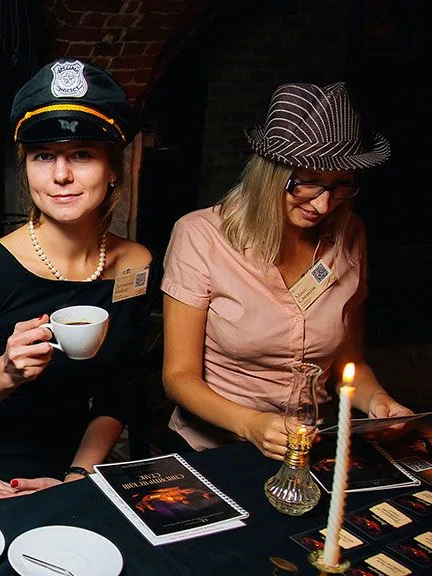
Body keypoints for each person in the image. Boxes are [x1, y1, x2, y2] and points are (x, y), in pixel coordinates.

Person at [0, 58, 154, 498]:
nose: (61, 175)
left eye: (82, 154)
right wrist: (5, 373)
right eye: (44, 156)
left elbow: (116, 394)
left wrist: (74, 479)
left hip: (69, 465)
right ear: (26, 168)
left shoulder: (135, 265)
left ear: (113, 169)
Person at [161, 82, 413, 460]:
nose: (323, 205)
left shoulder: (350, 233)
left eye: (340, 185)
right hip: (217, 448)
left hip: (312, 444)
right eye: (307, 183)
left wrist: (378, 401)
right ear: (270, 175)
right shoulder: (199, 235)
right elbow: (178, 377)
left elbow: (349, 361)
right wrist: (250, 424)